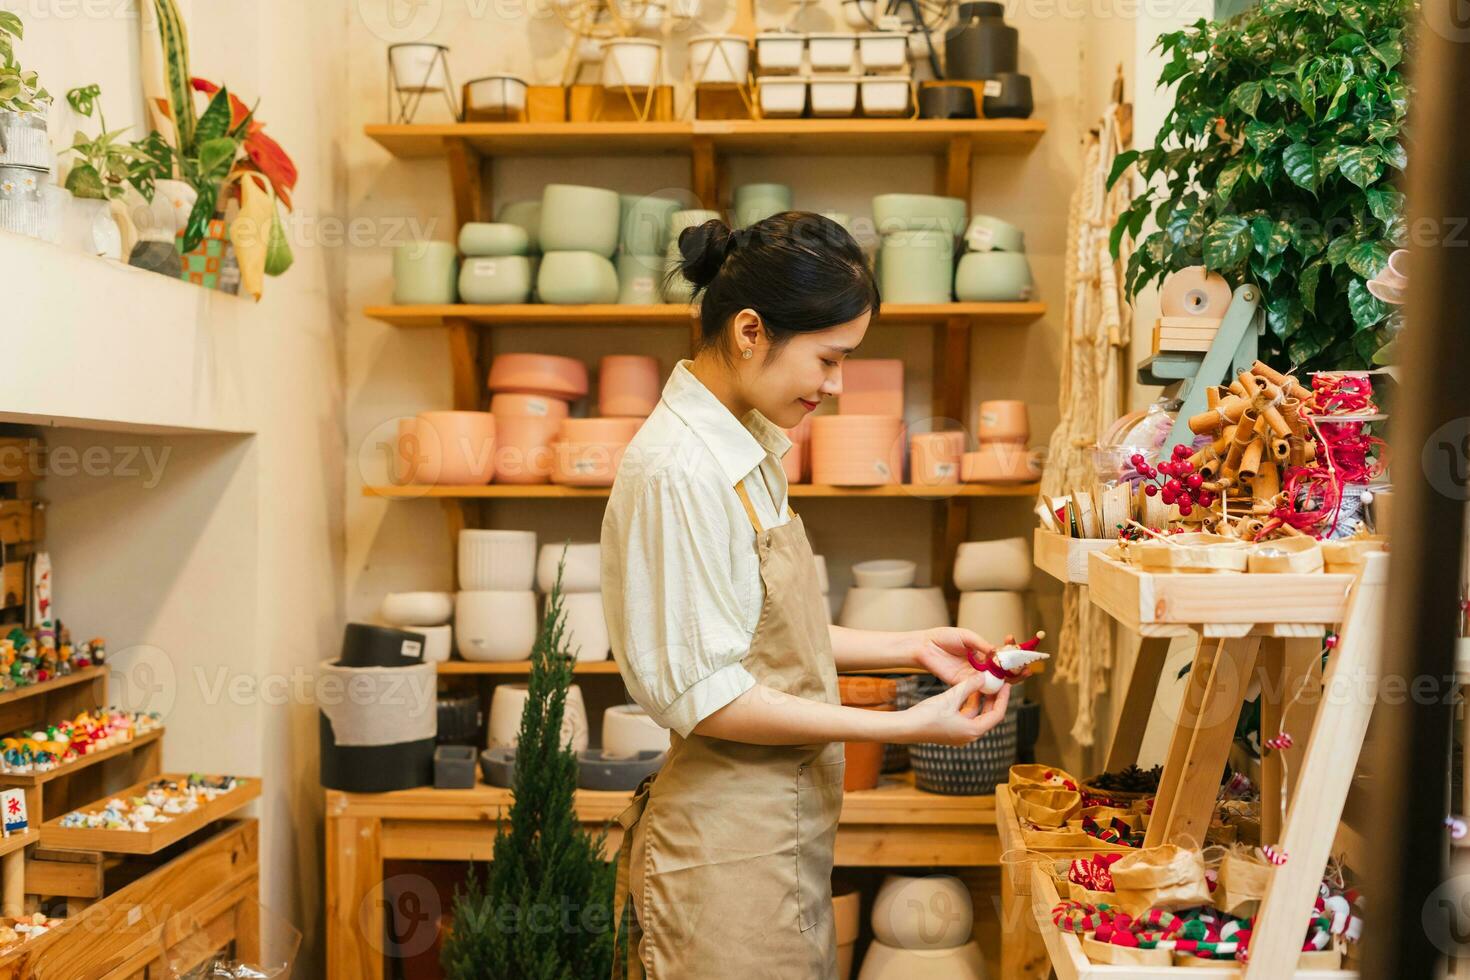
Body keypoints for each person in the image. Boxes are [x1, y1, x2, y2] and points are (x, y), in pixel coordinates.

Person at [600, 211, 1012, 979]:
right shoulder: (678, 470)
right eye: (828, 358)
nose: (835, 384)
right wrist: (901, 725)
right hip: (723, 853)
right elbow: (710, 693)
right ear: (750, 331)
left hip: (774, 835)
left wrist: (910, 646)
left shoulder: (745, 444)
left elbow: (759, 627)